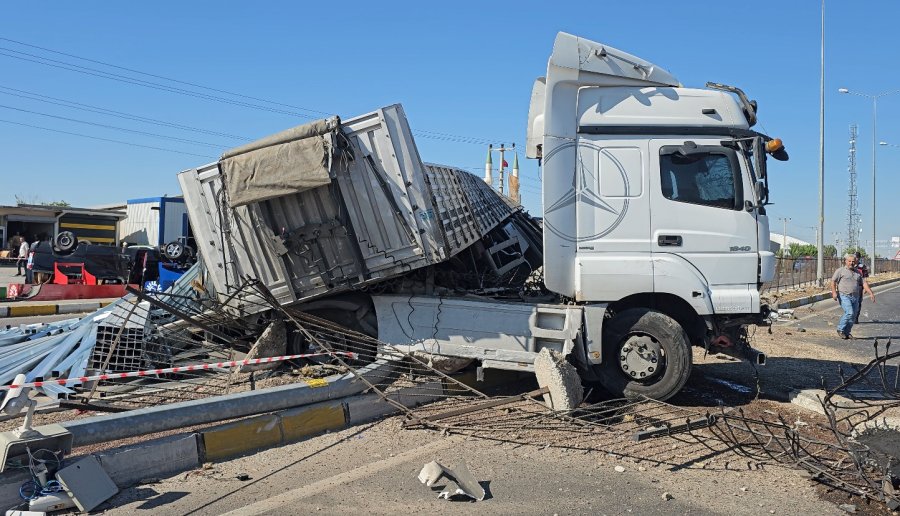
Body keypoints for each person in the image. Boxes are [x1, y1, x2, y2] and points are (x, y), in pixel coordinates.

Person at [831, 253, 875, 339]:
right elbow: (833, 281)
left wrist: (871, 293)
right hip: (844, 295)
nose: (851, 263)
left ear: (855, 262)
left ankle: (847, 332)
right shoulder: (840, 271)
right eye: (849, 261)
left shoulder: (858, 272)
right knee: (849, 312)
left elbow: (864, 283)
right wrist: (834, 292)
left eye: (853, 261)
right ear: (845, 261)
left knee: (854, 315)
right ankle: (840, 329)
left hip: (855, 297)